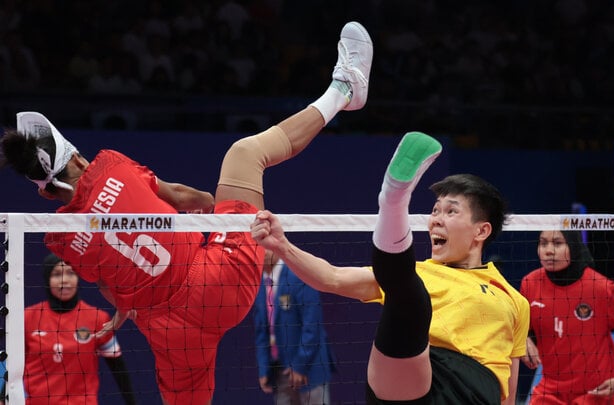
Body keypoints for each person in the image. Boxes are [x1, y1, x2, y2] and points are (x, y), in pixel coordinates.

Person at [0, 21, 373, 405]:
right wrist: (216, 209)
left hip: (169, 332)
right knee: (244, 155)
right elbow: (181, 196)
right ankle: (344, 88)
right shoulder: (110, 164)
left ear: (46, 194)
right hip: (218, 279)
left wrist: (124, 307)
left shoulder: (57, 235)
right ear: (77, 156)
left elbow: (110, 285)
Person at [251, 131, 530, 404]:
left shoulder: (513, 300)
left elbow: (511, 385)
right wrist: (282, 247)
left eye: (451, 211)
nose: (435, 220)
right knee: (407, 291)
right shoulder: (418, 274)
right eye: (435, 210)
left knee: (406, 285)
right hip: (411, 373)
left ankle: (394, 203)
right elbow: (331, 277)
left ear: (481, 231)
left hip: (473, 389)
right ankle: (393, 199)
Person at [520, 230, 614, 405]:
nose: (548, 250)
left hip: (597, 390)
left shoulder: (601, 288)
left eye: (557, 243)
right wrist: (524, 338)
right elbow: (528, 329)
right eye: (543, 243)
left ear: (573, 246)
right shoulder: (530, 284)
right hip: (551, 389)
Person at [24, 253, 136, 405]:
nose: (65, 280)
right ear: (47, 279)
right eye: (57, 274)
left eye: (71, 273)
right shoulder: (28, 317)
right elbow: (10, 366)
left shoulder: (97, 318)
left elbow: (118, 367)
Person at [253, 251, 335, 404]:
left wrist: (299, 366)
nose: (263, 251)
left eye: (266, 246)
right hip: (279, 371)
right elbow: (261, 332)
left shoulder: (299, 274)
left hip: (310, 370)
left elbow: (312, 325)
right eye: (258, 246)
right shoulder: (257, 285)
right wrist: (264, 368)